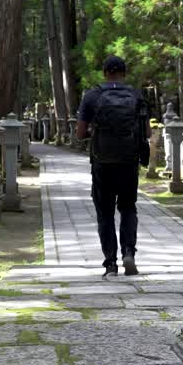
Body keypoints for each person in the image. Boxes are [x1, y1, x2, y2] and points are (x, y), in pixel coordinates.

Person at [76, 56, 150, 277]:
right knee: (128, 208)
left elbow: (80, 133)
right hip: (128, 162)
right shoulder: (136, 96)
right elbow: (147, 132)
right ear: (124, 73)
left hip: (102, 162)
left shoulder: (92, 96)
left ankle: (110, 264)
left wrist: (95, 132)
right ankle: (129, 252)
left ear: (104, 72)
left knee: (105, 213)